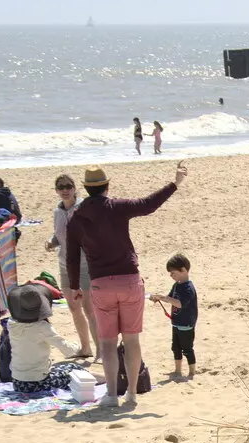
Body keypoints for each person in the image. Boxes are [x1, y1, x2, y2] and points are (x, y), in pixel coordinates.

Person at [65, 161, 188, 408]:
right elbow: (149, 204)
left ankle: (111, 395)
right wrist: (175, 183)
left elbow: (71, 256)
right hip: (129, 281)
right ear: (107, 186)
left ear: (86, 189)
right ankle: (131, 392)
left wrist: (76, 286)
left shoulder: (75, 218)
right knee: (132, 341)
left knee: (108, 343)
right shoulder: (116, 207)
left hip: (100, 285)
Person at [47, 173, 95, 358]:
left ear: (75, 188)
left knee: (89, 309)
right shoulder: (57, 211)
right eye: (61, 187)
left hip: (84, 265)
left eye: (68, 186)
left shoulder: (83, 207)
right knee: (74, 308)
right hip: (64, 264)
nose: (65, 190)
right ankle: (85, 348)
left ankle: (100, 352)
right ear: (57, 191)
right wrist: (51, 242)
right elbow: (60, 236)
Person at [6, 284, 83, 393]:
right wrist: (77, 346)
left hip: (17, 382)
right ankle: (110, 381)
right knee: (75, 369)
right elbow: (67, 350)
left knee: (59, 369)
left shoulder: (11, 324)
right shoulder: (41, 327)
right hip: (38, 383)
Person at [148, 253, 198, 378]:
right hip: (176, 322)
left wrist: (166, 298)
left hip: (186, 323)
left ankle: (192, 371)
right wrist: (159, 298)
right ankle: (177, 370)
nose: (171, 275)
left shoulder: (188, 288)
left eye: (173, 273)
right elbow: (170, 298)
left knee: (187, 349)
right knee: (175, 347)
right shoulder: (176, 285)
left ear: (183, 270)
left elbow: (180, 304)